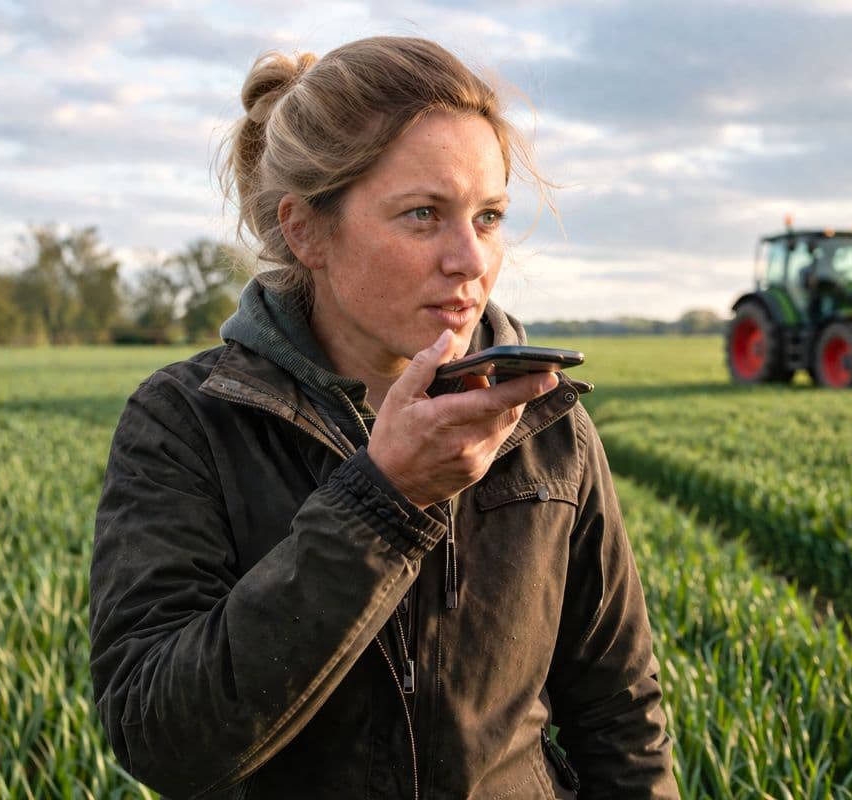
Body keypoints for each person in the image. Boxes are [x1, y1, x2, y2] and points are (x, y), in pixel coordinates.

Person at [90, 36, 678, 799]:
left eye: (489, 216)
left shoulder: (544, 421)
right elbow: (159, 738)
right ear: (306, 230)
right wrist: (383, 499)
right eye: (424, 214)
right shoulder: (187, 423)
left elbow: (620, 717)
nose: (469, 259)